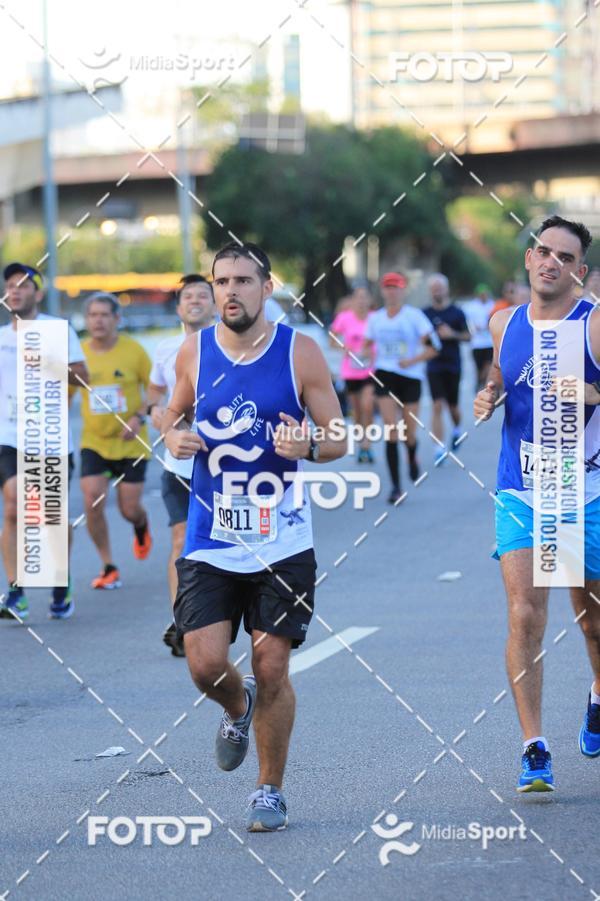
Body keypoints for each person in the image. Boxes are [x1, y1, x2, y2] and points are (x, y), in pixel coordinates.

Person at [162, 241, 346, 831]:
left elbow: (340, 436)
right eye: (221, 282)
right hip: (211, 539)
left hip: (282, 541)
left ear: (268, 288)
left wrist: (310, 447)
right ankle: (234, 705)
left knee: (272, 666)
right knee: (204, 665)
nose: (230, 292)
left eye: (244, 280)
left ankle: (269, 789)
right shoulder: (193, 352)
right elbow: (172, 412)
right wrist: (171, 435)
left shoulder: (301, 353)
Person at [474, 215, 600, 792]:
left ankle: (597, 693)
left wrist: (592, 391)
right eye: (543, 250)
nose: (551, 261)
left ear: (581, 272)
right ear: (529, 258)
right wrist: (489, 393)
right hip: (522, 488)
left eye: (565, 257)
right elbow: (504, 375)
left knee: (591, 618)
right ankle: (534, 747)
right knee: (526, 613)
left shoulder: (593, 324)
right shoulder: (503, 321)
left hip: (587, 489)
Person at [0, 263, 88, 621]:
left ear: (37, 292)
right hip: (8, 435)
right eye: (9, 286)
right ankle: (16, 590)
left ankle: (59, 578)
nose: (15, 291)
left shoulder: (58, 330)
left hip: (49, 435)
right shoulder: (1, 337)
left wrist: (49, 362)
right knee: (13, 505)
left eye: (22, 285)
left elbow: (82, 378)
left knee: (51, 516)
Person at [147, 274, 216, 657]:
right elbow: (156, 391)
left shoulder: (227, 345)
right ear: (178, 307)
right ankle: (182, 622)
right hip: (179, 464)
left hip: (223, 465)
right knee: (180, 540)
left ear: (215, 303)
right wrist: (155, 410)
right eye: (187, 296)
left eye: (202, 295)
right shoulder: (166, 348)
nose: (194, 301)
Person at [78, 293, 152, 589]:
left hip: (131, 445)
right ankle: (108, 565)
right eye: (93, 315)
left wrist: (138, 417)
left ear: (117, 319)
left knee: (128, 509)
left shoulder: (134, 352)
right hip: (95, 442)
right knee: (92, 501)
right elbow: (62, 395)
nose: (98, 320)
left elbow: (157, 391)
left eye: (104, 314)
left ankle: (141, 524)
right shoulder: (78, 354)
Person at [363, 271, 439, 503]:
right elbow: (368, 344)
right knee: (391, 430)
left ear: (403, 290)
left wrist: (412, 361)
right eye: (387, 287)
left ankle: (412, 454)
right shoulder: (376, 318)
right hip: (385, 374)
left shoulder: (414, 317)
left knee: (409, 433)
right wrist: (366, 354)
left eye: (395, 287)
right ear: (383, 291)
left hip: (410, 376)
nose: (391, 291)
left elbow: (433, 348)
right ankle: (396, 487)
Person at [423, 273, 471, 464]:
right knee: (436, 405)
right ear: (430, 291)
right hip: (434, 365)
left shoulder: (457, 312)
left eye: (440, 288)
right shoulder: (424, 314)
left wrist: (452, 334)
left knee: (453, 407)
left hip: (453, 364)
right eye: (434, 288)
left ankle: (457, 429)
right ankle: (438, 448)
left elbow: (468, 337)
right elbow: (419, 338)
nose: (437, 291)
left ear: (446, 290)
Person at [330, 284, 375, 463]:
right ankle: (361, 443)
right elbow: (332, 339)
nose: (362, 301)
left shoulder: (375, 318)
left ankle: (367, 445)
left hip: (371, 370)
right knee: (356, 410)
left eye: (365, 297)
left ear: (370, 300)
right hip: (350, 371)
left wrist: (371, 351)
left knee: (368, 405)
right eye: (359, 297)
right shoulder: (344, 318)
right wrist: (344, 347)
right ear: (353, 300)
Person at [464, 283, 495, 391]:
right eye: (481, 294)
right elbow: (467, 322)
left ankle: (482, 383)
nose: (483, 296)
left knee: (488, 365)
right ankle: (480, 382)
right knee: (479, 368)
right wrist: (473, 328)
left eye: (485, 294)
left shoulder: (492, 305)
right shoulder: (471, 307)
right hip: (476, 343)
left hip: (489, 342)